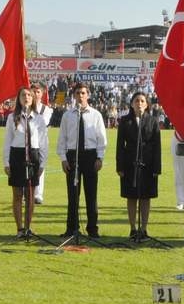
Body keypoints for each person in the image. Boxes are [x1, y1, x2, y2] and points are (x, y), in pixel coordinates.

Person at [57, 83, 108, 238]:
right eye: (78, 93)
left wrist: (100, 157)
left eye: (83, 93)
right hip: (73, 156)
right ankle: (72, 228)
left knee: (91, 195)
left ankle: (92, 229)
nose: (81, 96)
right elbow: (62, 139)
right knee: (73, 194)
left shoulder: (96, 115)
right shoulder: (67, 115)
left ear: (88, 95)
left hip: (90, 156)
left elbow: (102, 139)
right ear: (74, 95)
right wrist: (63, 159)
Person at [116, 92, 162, 242]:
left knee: (145, 197)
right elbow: (119, 146)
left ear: (147, 104)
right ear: (131, 104)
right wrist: (120, 166)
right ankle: (133, 229)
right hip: (129, 163)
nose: (139, 103)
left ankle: (144, 229)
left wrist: (157, 168)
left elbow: (157, 147)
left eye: (142, 101)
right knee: (131, 196)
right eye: (136, 101)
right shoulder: (124, 121)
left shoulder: (153, 121)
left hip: (148, 164)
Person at [3, 87, 47, 238]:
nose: (26, 97)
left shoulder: (39, 119)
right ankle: (19, 229)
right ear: (19, 98)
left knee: (30, 194)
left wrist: (42, 163)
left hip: (33, 156)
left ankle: (28, 227)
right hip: (17, 155)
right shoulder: (12, 117)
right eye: (23, 95)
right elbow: (7, 140)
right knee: (17, 194)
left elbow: (43, 143)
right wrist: (6, 162)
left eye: (29, 95)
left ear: (33, 98)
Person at [30, 82, 53, 205]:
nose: (35, 94)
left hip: (41, 142)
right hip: (27, 142)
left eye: (38, 92)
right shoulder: (25, 107)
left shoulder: (46, 109)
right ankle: (26, 192)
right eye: (33, 91)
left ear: (42, 94)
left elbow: (42, 123)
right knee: (25, 167)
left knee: (40, 167)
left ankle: (38, 194)